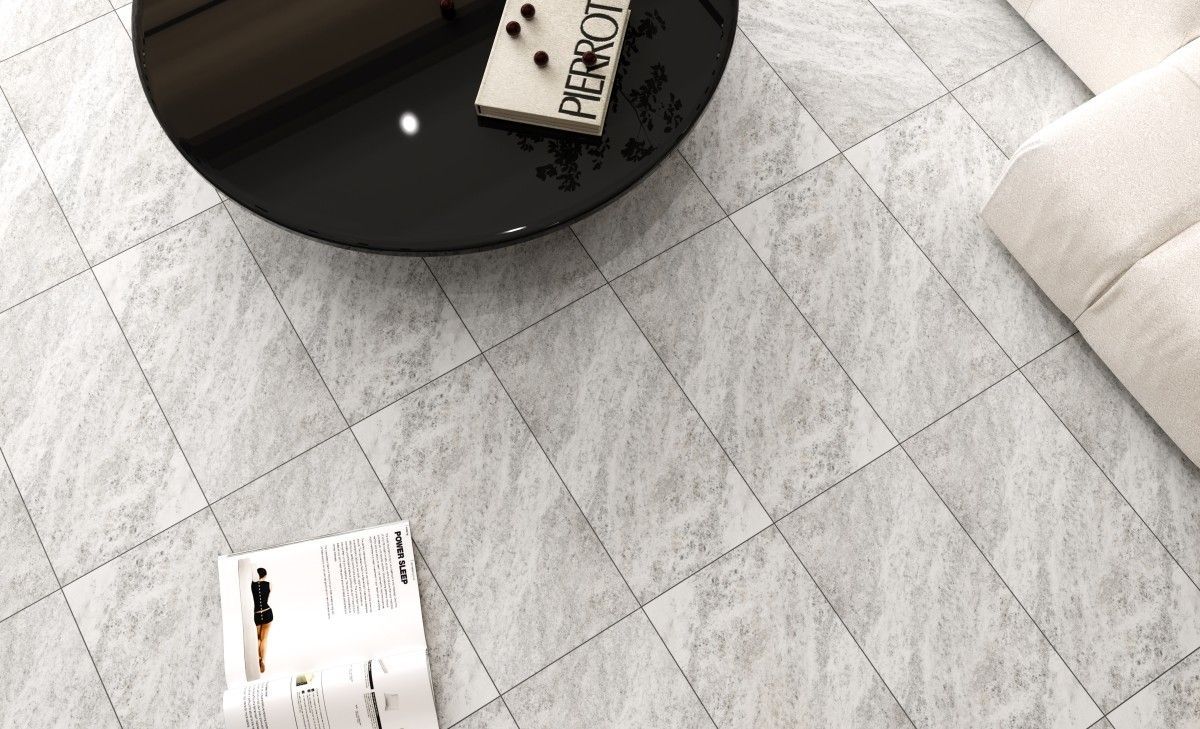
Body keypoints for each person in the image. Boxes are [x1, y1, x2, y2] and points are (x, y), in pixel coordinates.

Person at [251, 567, 273, 673]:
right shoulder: (269, 584)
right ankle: (262, 660)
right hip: (267, 612)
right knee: (264, 639)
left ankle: (258, 659)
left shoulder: (252, 585)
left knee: (257, 638)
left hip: (257, 614)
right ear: (265, 575)